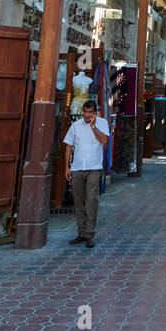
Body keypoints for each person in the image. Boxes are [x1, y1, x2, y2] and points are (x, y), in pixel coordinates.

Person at [64, 100, 110, 248]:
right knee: (78, 202)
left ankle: (89, 234)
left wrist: (93, 127)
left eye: (90, 112)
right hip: (77, 168)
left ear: (95, 113)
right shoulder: (75, 126)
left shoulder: (102, 123)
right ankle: (81, 232)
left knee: (91, 201)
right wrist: (67, 167)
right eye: (85, 112)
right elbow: (69, 146)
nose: (87, 115)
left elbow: (104, 141)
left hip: (94, 168)